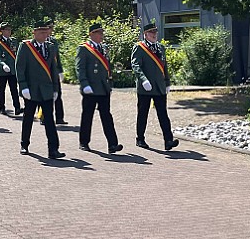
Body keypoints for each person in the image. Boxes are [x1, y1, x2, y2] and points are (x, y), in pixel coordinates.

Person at [16, 21, 63, 159]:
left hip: (47, 89)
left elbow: (53, 69)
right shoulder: (25, 47)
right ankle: (24, 144)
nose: (44, 35)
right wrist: (23, 86)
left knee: (49, 119)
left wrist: (55, 89)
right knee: (28, 118)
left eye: (46, 32)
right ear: (34, 33)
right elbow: (20, 68)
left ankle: (53, 149)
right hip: (31, 89)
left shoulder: (50, 47)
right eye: (41, 32)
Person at [76, 23, 123, 154]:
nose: (101, 35)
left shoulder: (103, 48)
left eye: (102, 33)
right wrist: (84, 84)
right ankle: (84, 142)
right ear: (91, 34)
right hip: (90, 87)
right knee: (87, 115)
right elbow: (80, 68)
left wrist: (110, 83)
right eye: (98, 33)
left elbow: (106, 67)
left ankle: (112, 144)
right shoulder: (84, 48)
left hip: (103, 87)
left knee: (106, 115)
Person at [131, 21, 178, 151]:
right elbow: (136, 65)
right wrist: (143, 80)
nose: (154, 34)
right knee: (143, 114)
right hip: (145, 87)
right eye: (151, 32)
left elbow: (164, 66)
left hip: (159, 87)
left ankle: (168, 141)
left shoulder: (160, 48)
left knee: (163, 114)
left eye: (155, 32)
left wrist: (167, 82)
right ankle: (140, 139)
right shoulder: (139, 47)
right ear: (145, 34)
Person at [0, 22, 22, 116]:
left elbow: (17, 54)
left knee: (14, 89)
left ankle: (17, 107)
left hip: (12, 69)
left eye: (9, 30)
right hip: (3, 70)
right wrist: (3, 65)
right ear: (2, 31)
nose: (9, 32)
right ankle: (2, 107)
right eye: (7, 30)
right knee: (2, 89)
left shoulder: (13, 41)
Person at [46, 18, 68, 124]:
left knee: (58, 94)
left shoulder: (53, 41)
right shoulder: (39, 42)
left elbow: (57, 57)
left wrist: (60, 70)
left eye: (51, 28)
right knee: (45, 95)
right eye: (49, 28)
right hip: (45, 71)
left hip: (54, 71)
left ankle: (59, 118)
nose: (51, 30)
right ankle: (44, 117)